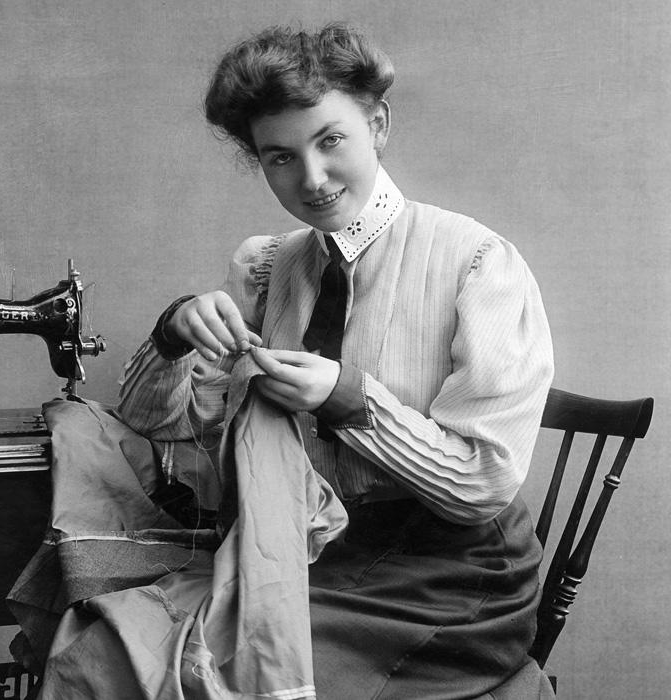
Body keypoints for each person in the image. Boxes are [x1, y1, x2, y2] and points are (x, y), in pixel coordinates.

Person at [114, 22, 556, 699]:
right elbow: (160, 424)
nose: (312, 179)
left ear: (377, 123)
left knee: (218, 672)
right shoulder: (270, 267)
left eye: (331, 141)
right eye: (280, 157)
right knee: (110, 640)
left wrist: (345, 397)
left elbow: (482, 486)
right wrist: (175, 332)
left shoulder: (476, 263)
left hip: (449, 576)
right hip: (310, 552)